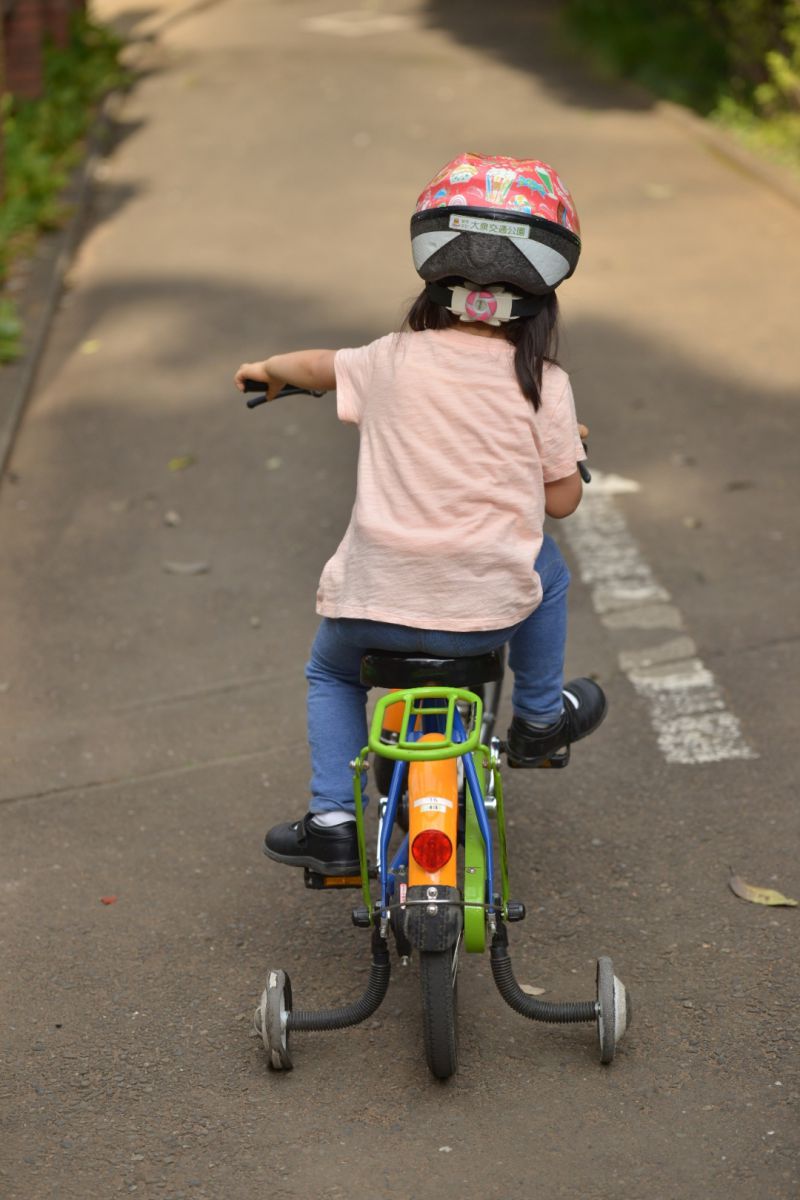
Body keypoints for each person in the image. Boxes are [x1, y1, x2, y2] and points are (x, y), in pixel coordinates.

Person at [235, 152, 607, 875]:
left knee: (330, 675)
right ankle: (536, 719)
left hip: (373, 604)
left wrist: (271, 371)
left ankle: (334, 823)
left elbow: (319, 365)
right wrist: (557, 462)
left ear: (432, 283)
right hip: (486, 610)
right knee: (545, 566)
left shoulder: (388, 360)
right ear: (542, 300)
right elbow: (559, 498)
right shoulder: (545, 386)